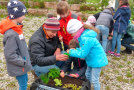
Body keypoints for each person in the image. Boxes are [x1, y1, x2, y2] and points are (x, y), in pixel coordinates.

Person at [66, 19, 108, 90]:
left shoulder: (86, 38)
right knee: (87, 75)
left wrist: (71, 52)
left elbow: (83, 54)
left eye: (71, 33)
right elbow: (83, 49)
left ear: (76, 30)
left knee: (95, 80)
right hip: (92, 59)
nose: (71, 35)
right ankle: (88, 87)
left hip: (97, 61)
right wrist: (75, 50)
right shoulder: (83, 36)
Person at [0, 0, 32, 90]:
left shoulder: (17, 28)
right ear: (17, 15)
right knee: (23, 85)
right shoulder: (11, 34)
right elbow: (10, 54)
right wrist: (23, 62)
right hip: (19, 66)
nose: (24, 17)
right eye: (23, 14)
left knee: (25, 81)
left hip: (22, 65)